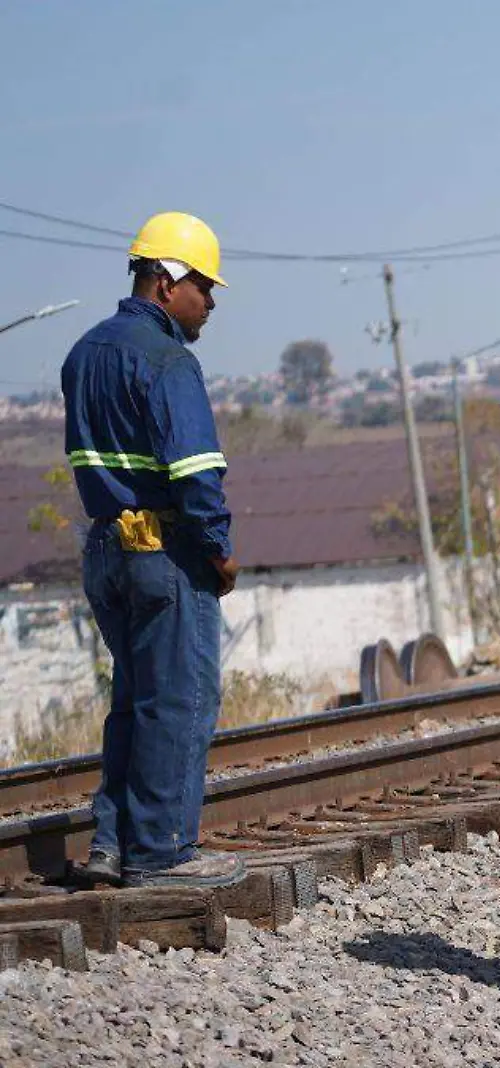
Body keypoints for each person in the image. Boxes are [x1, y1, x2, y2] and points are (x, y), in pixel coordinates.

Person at [62, 212, 244, 890]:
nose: (212, 300)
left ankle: (112, 844)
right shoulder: (168, 359)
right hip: (163, 550)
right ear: (166, 282)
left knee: (136, 700)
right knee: (181, 698)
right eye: (204, 284)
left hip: (106, 546)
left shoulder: (83, 355)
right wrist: (217, 551)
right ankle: (162, 853)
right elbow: (196, 472)